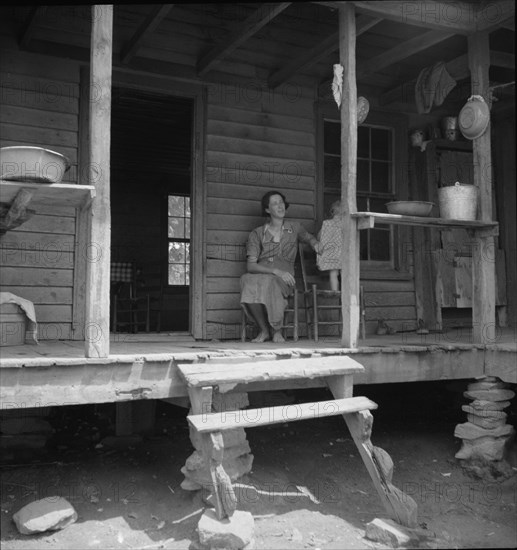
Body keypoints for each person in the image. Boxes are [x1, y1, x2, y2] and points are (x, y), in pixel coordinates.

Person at [240, 191, 320, 343]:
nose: (280, 205)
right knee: (247, 280)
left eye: (281, 202)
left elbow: (309, 238)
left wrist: (315, 244)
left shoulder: (295, 228)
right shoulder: (256, 234)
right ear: (267, 209)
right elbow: (251, 266)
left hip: (285, 277)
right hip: (264, 272)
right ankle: (264, 330)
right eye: (275, 203)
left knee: (270, 283)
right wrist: (275, 271)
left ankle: (277, 330)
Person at [316, 199, 345, 291]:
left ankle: (335, 292)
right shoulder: (346, 224)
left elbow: (319, 236)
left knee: (333, 273)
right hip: (343, 253)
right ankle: (346, 294)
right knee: (346, 274)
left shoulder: (326, 223)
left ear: (333, 212)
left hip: (331, 254)